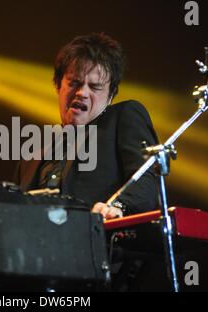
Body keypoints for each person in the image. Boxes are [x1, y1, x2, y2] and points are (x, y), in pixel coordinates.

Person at [14, 33, 159, 219]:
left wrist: (119, 206)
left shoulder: (123, 117)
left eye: (95, 87)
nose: (82, 92)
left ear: (111, 94)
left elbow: (147, 179)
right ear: (58, 85)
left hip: (96, 243)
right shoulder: (32, 155)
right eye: (74, 83)